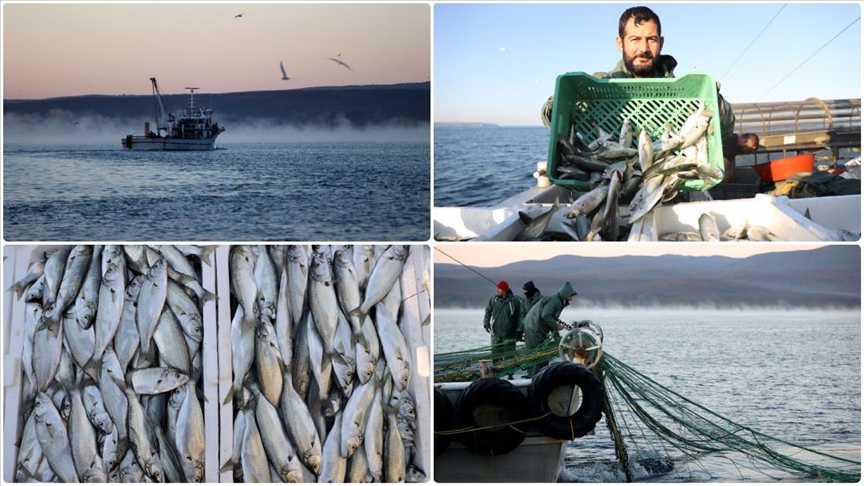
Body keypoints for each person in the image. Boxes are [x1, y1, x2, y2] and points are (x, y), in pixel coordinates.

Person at [542, 6, 736, 149]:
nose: (644, 48)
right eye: (635, 39)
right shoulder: (599, 83)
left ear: (661, 43)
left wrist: (714, 99)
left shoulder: (686, 91)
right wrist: (559, 103)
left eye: (651, 39)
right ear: (620, 43)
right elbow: (550, 118)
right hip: (610, 177)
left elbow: (725, 130)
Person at [519, 282, 577, 376]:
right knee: (537, 354)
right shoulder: (555, 300)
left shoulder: (557, 300)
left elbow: (551, 318)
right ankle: (535, 376)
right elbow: (545, 316)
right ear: (566, 294)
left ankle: (538, 375)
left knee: (539, 353)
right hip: (534, 328)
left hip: (534, 326)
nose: (571, 299)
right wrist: (556, 326)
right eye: (571, 296)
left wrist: (557, 338)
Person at [483, 280, 521, 353]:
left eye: (499, 289)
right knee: (495, 356)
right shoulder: (493, 300)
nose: (496, 290)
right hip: (496, 335)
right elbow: (488, 311)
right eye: (497, 288)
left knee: (509, 356)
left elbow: (520, 316)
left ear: (504, 290)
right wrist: (486, 323)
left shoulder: (515, 301)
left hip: (509, 334)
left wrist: (519, 330)